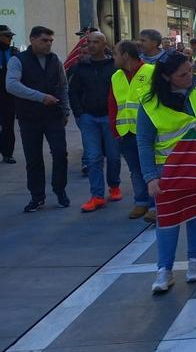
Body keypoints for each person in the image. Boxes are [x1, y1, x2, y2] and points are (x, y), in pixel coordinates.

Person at [137, 51, 196, 292]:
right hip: (166, 168)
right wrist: (150, 177)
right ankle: (164, 270)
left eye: (190, 69)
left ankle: (194, 262)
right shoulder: (150, 101)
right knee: (166, 218)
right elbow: (144, 141)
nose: (190, 76)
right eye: (183, 74)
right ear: (167, 77)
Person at [5, 26, 70, 212]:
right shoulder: (18, 60)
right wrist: (41, 97)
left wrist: (65, 110)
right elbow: (11, 85)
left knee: (60, 154)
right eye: (44, 40)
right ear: (32, 40)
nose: (48, 44)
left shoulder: (54, 59)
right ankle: (37, 196)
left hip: (54, 117)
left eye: (51, 40)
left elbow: (63, 85)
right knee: (33, 159)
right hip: (29, 118)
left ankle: (60, 191)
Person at [69, 32, 122, 212]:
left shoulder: (114, 67)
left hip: (110, 117)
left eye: (95, 42)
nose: (91, 45)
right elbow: (73, 91)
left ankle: (114, 186)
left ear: (104, 44)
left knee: (114, 156)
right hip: (89, 118)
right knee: (93, 158)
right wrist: (79, 114)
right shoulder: (80, 67)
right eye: (89, 42)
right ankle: (97, 195)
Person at [109, 40, 155, 222]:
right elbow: (112, 105)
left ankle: (155, 205)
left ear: (126, 55)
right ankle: (141, 202)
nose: (113, 57)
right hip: (125, 131)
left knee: (151, 169)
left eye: (115, 54)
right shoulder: (116, 76)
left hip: (148, 132)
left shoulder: (150, 72)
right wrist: (115, 131)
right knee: (135, 170)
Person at [0, 24, 19, 164]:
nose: (10, 38)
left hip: (8, 95)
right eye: (7, 36)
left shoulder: (14, 52)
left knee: (8, 126)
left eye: (10, 36)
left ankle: (7, 154)